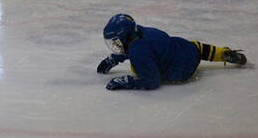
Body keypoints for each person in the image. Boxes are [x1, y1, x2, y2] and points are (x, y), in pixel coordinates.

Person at [97, 14, 248, 90]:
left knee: (135, 68)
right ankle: (223, 53)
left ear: (125, 36)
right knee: (196, 47)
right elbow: (133, 46)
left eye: (116, 41)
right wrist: (115, 58)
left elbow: (152, 82)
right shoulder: (141, 31)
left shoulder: (138, 52)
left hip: (179, 72)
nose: (115, 45)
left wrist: (126, 82)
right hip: (186, 51)